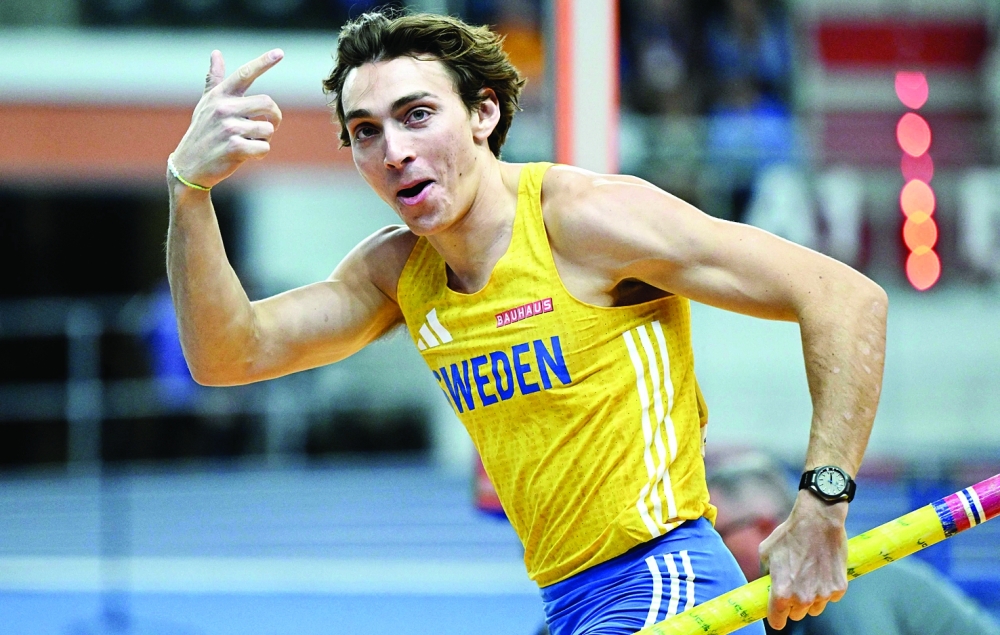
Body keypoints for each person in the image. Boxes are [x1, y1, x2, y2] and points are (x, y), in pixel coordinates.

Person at [164, 11, 888, 635]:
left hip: (669, 583)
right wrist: (189, 190)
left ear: (483, 114)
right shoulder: (396, 273)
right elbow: (229, 354)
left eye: (418, 114)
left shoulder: (581, 219)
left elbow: (845, 298)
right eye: (365, 131)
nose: (394, 150)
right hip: (570, 602)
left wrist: (822, 505)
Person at [708, 453, 1000, 635]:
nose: (708, 552)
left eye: (718, 535)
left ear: (763, 527)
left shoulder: (839, 580)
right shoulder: (799, 590)